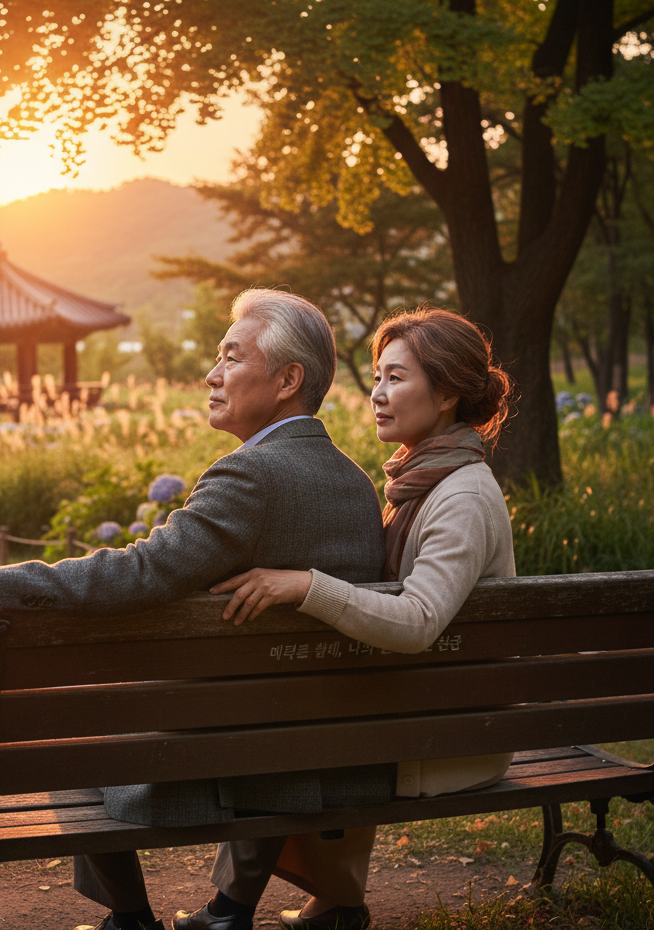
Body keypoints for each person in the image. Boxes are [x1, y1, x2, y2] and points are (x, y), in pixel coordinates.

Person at [0, 288, 387, 930]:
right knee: (259, 704)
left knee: (65, 740)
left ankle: (131, 916)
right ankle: (228, 911)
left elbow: (141, 571)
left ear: (289, 380)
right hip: (331, 761)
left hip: (222, 763)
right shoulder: (357, 486)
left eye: (232, 356)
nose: (212, 373)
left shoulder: (250, 478)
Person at [200, 306, 516, 930]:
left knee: (279, 725)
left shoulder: (463, 497)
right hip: (428, 712)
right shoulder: (423, 483)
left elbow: (417, 620)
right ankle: (311, 903)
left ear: (447, 392)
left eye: (396, 378)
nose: (377, 394)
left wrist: (304, 584)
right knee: (294, 707)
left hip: (448, 740)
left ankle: (233, 909)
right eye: (376, 377)